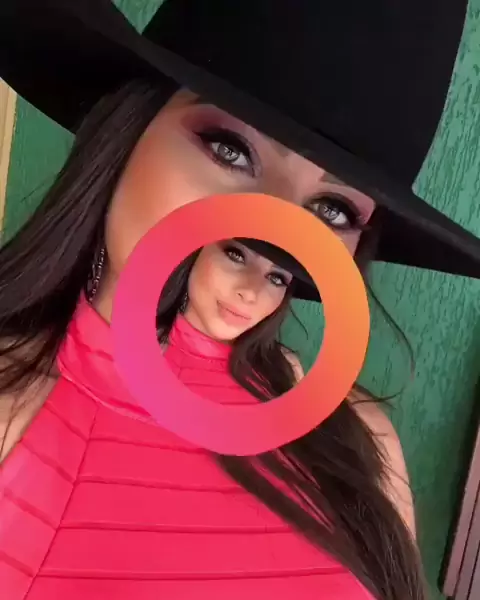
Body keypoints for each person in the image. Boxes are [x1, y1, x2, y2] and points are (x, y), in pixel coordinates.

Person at [1, 1, 480, 599]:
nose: (270, 228)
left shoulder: (363, 443)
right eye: (230, 149)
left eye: (333, 210)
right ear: (127, 134)